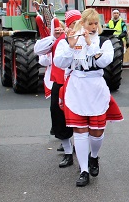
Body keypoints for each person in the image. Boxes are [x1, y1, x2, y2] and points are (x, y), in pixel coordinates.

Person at [54, 8, 123, 187]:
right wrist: (70, 45)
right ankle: (84, 170)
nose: (93, 27)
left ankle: (94, 157)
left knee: (97, 132)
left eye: (95, 23)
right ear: (82, 23)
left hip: (96, 87)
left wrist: (90, 44)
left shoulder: (104, 41)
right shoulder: (70, 40)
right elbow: (60, 63)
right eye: (89, 23)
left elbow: (104, 62)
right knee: (80, 130)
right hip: (77, 87)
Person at [34, 11, 80, 169]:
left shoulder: (87, 39)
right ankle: (68, 153)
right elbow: (40, 54)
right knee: (59, 119)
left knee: (80, 119)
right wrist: (53, 36)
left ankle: (85, 152)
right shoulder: (58, 40)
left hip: (78, 85)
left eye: (78, 23)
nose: (76, 27)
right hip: (60, 84)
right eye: (73, 24)